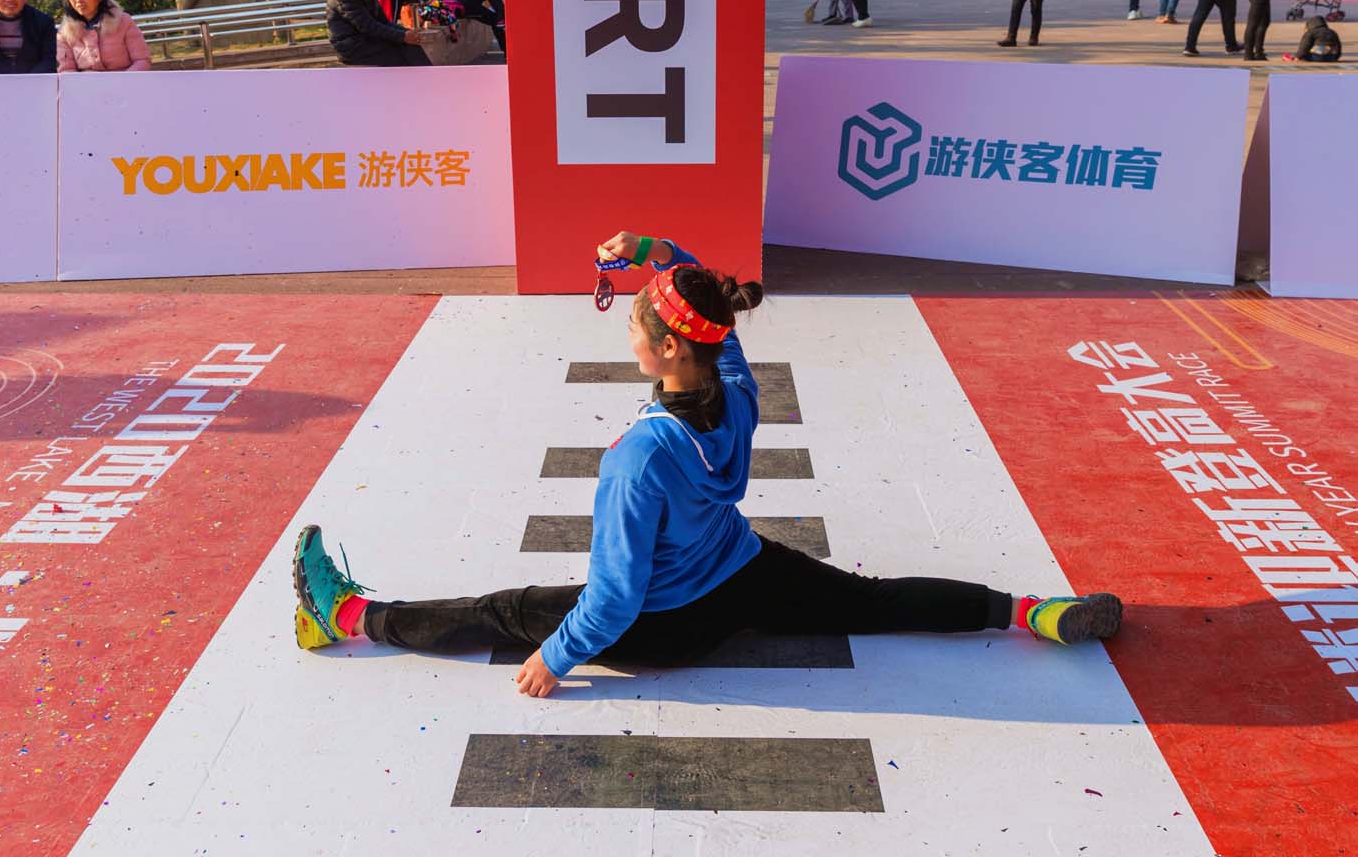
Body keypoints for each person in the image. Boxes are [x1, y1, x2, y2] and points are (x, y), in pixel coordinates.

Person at [290, 232, 1126, 694]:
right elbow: (708, 300)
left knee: (505, 610)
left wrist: (557, 657)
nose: (626, 332)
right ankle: (1032, 614)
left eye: (633, 325)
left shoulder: (638, 458)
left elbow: (615, 597)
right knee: (870, 602)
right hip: (741, 570)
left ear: (663, 349)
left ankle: (351, 617)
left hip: (664, 628)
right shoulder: (735, 384)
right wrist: (654, 250)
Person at [55, 0, 150, 73]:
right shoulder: (65, 32)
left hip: (124, 80)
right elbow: (66, 70)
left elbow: (142, 61)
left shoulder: (123, 21)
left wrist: (122, 80)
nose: (78, 0)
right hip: (87, 82)